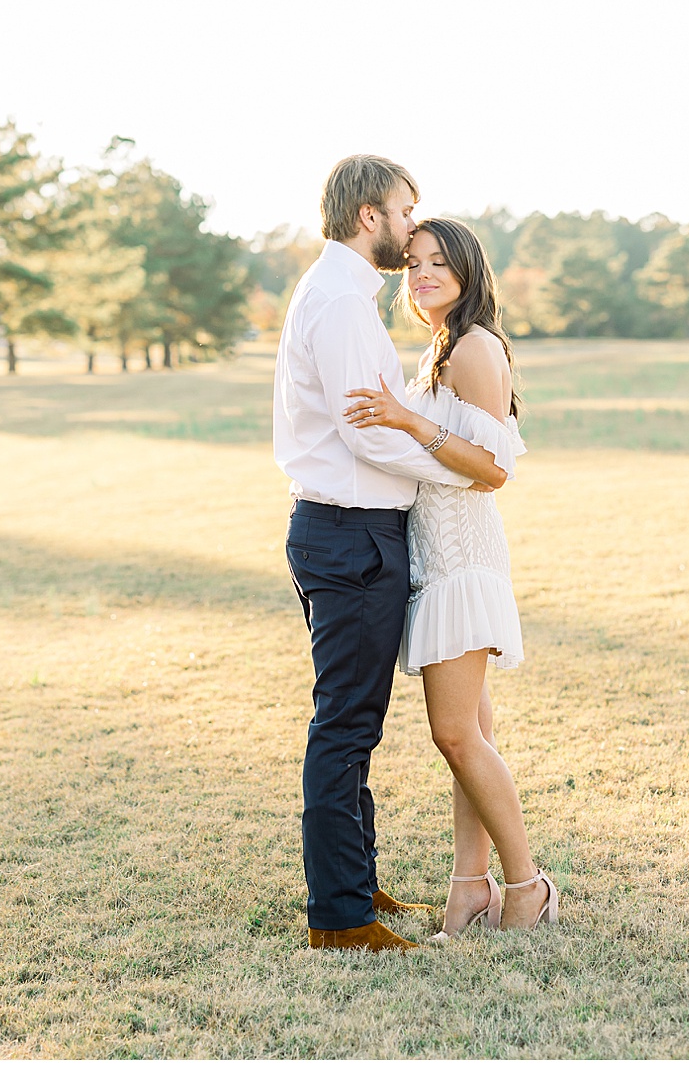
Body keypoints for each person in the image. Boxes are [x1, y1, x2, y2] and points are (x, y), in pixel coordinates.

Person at [274, 157, 510, 953]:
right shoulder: (342, 302)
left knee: (354, 721)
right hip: (351, 534)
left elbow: (391, 417)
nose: (415, 226)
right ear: (371, 215)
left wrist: (433, 442)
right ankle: (341, 915)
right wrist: (451, 461)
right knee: (345, 724)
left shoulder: (344, 296)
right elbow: (367, 430)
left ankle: (355, 880)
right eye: (409, 212)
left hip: (356, 533)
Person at [344, 216, 559, 938]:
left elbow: (493, 470)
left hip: (464, 559)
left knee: (454, 734)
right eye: (413, 263)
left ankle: (528, 885)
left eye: (438, 261)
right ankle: (470, 887)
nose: (423, 273)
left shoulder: (473, 346)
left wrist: (407, 421)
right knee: (471, 732)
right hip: (436, 558)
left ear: (468, 271)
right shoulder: (443, 347)